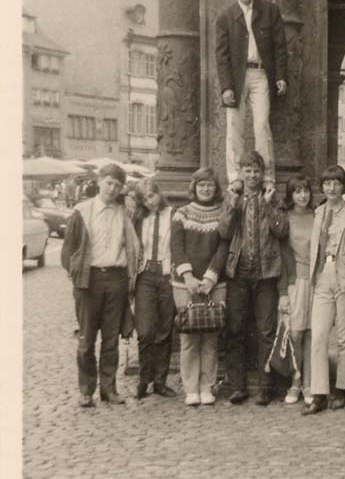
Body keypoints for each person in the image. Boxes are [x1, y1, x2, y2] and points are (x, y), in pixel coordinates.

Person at [61, 163, 140, 407]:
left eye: (117, 186)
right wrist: (77, 275)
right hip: (89, 280)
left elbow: (144, 202)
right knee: (86, 340)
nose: (112, 189)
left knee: (111, 339)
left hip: (116, 279)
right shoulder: (82, 211)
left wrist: (129, 197)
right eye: (109, 183)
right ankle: (86, 390)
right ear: (99, 181)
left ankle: (109, 389)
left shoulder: (123, 212)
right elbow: (68, 250)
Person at [216, 150, 289, 407]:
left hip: (266, 273)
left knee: (265, 331)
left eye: (256, 170)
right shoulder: (233, 197)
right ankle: (237, 386)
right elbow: (223, 231)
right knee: (235, 329)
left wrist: (269, 205)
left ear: (262, 173)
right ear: (241, 172)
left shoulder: (272, 198)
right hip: (238, 272)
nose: (252, 175)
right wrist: (233, 203)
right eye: (247, 170)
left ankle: (265, 387)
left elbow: (282, 231)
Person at [302, 165, 345, 416]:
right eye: (327, 183)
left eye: (336, 183)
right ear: (322, 187)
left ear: (343, 186)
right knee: (318, 336)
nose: (331, 188)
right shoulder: (318, 212)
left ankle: (341, 389)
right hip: (322, 279)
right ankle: (319, 393)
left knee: (344, 338)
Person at [215, 0, 288, 188]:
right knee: (234, 126)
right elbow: (222, 55)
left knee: (262, 125)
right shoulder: (225, 17)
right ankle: (235, 177)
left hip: (261, 74)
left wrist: (281, 76)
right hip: (237, 78)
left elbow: (280, 46)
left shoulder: (269, 10)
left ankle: (267, 177)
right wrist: (226, 87)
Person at [170, 167, 228, 406]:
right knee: (190, 337)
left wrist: (210, 278)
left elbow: (223, 247)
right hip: (185, 283)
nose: (206, 189)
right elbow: (176, 246)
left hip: (215, 282)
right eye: (201, 184)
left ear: (215, 188)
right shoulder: (180, 213)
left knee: (211, 337)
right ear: (194, 187)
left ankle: (207, 386)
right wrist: (189, 277)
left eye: (210, 185)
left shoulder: (223, 213)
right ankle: (191, 387)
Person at [132, 179, 177, 400]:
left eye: (151, 196)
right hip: (146, 275)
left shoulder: (174, 214)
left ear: (159, 193)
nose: (149, 202)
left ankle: (160, 381)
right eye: (144, 199)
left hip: (167, 274)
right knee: (145, 330)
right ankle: (143, 379)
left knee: (164, 330)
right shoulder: (139, 219)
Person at [278, 174, 315, 405]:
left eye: (306, 190)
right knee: (296, 333)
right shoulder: (285, 219)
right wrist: (283, 291)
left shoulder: (318, 216)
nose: (303, 195)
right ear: (291, 195)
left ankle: (310, 384)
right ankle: (295, 381)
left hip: (318, 281)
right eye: (297, 191)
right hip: (296, 281)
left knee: (314, 334)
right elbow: (282, 257)